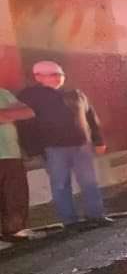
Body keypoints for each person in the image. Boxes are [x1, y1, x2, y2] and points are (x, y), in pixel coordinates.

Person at [17, 61, 110, 228]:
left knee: (89, 182)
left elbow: (91, 117)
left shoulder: (75, 93)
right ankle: (69, 221)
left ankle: (96, 215)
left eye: (60, 74)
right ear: (38, 76)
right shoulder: (30, 96)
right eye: (53, 74)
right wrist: (33, 149)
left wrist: (98, 140)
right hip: (53, 149)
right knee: (60, 185)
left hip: (82, 146)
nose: (58, 78)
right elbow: (25, 125)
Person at [0, 87, 35, 242]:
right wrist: (8, 115)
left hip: (11, 152)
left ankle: (15, 230)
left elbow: (28, 112)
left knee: (15, 193)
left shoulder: (3, 93)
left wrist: (5, 115)